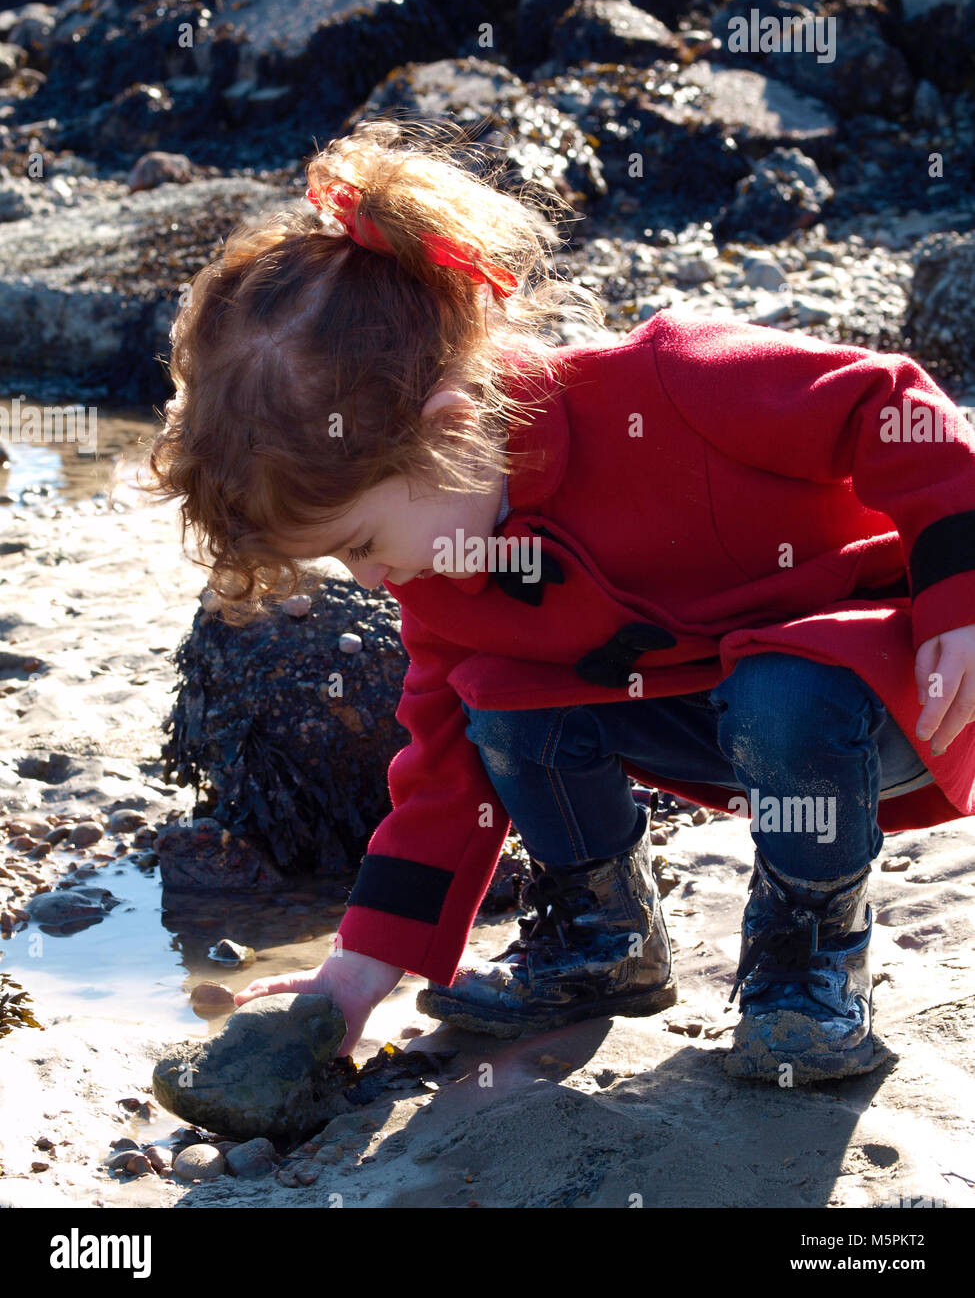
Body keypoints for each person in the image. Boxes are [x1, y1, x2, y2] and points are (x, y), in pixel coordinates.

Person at [140, 116, 975, 1085]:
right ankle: (600, 934)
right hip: (712, 710)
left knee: (786, 685)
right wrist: (353, 974)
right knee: (488, 691)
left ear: (447, 429)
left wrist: (958, 594)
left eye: (361, 544)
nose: (370, 581)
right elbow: (443, 780)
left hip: (898, 691)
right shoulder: (446, 578)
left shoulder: (671, 385)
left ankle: (810, 963)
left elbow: (894, 404)